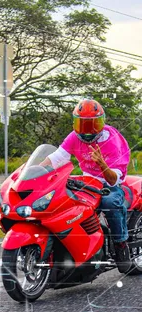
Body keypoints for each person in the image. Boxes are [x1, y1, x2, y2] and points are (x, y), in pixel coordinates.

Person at [41, 98, 132, 273]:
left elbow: (113, 180)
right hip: (87, 180)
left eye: (92, 125)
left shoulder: (111, 140)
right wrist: (36, 170)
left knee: (110, 203)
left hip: (109, 182)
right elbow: (56, 158)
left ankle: (121, 244)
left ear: (102, 122)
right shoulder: (74, 137)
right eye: (82, 125)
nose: (87, 131)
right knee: (62, 200)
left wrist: (102, 164)